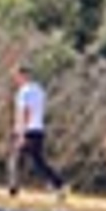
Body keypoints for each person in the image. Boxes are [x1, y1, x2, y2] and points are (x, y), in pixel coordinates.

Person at [8, 63, 66, 200]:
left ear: (23, 75)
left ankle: (13, 188)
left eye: (17, 76)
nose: (15, 80)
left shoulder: (24, 92)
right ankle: (58, 183)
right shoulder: (39, 90)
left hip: (27, 130)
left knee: (15, 160)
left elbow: (25, 111)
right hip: (38, 129)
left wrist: (21, 132)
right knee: (38, 162)